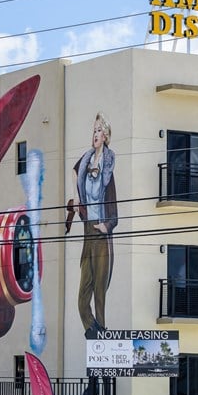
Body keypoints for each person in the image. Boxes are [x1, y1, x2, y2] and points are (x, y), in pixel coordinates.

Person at [71, 112, 118, 338]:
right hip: (88, 230)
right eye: (94, 130)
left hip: (101, 233)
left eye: (99, 130)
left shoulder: (108, 168)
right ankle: (95, 330)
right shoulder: (86, 161)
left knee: (100, 294)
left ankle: (101, 341)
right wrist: (77, 198)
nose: (95, 134)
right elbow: (74, 171)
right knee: (82, 297)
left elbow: (114, 211)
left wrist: (106, 226)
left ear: (106, 135)